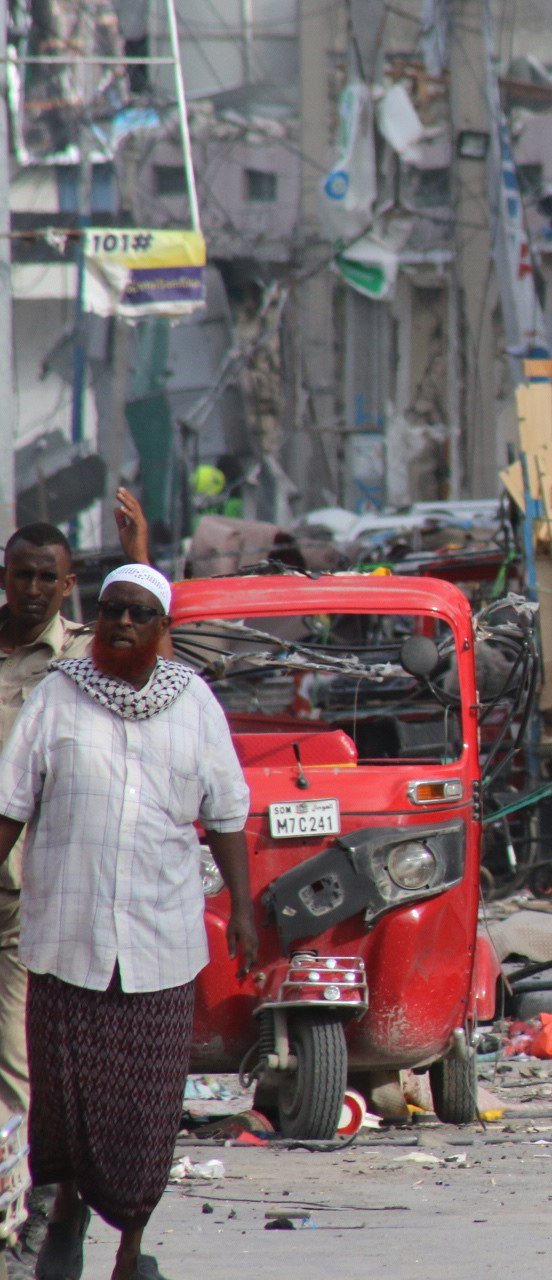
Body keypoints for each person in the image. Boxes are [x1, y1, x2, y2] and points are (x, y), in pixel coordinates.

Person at [0, 564, 253, 1280]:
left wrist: (242, 910)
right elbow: (11, 803)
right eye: (112, 610)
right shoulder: (58, 698)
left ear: (161, 629)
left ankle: (131, 1252)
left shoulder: (196, 704)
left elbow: (228, 812)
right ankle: (66, 1218)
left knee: (144, 1115)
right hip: (66, 937)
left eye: (140, 614)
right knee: (67, 1107)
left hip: (160, 945)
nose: (122, 624)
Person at [0, 492, 150, 1270]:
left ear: (66, 586)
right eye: (18, 573)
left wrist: (142, 556)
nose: (29, 589)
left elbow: (152, 660)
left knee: (22, 1067)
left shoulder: (83, 660)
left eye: (44, 578)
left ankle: (34, 1218)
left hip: (37, 900)